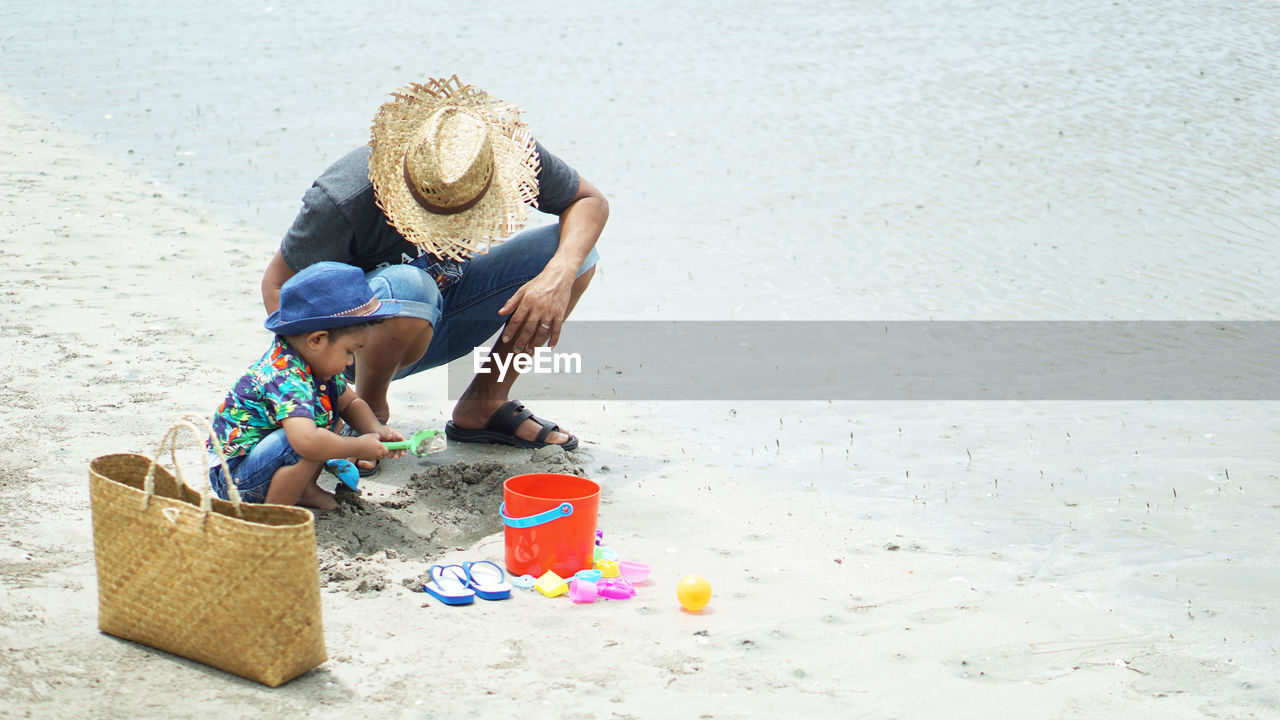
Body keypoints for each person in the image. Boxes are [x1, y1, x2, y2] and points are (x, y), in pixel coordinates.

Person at [260, 76, 607, 475]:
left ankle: (483, 405)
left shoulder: (496, 151)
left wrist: (558, 276)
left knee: (574, 255)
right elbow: (277, 285)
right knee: (412, 284)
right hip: (357, 344)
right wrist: (325, 392)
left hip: (450, 309)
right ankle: (372, 410)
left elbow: (590, 201)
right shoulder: (344, 197)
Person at [209, 262, 408, 510]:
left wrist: (375, 429)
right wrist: (358, 445)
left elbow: (351, 402)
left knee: (327, 414)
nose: (350, 362)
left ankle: (303, 490)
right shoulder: (285, 375)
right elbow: (305, 442)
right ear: (317, 340)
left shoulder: (317, 366)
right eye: (349, 351)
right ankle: (274, 515)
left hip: (264, 464)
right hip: (238, 479)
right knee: (304, 439)